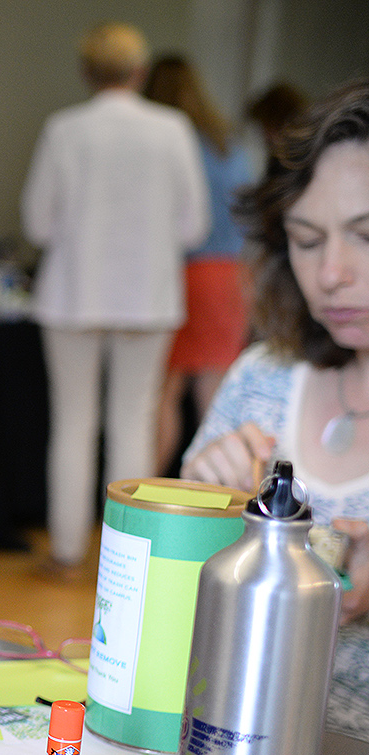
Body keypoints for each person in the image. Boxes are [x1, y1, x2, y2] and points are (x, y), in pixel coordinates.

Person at [181, 79, 369, 743]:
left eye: (365, 234)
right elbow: (177, 621)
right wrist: (202, 513)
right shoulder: (260, 378)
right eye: (308, 239)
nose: (333, 273)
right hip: (235, 749)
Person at [21, 23, 209, 581]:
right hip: (147, 296)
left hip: (73, 294)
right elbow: (194, 225)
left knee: (73, 423)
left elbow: (37, 221)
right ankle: (127, 556)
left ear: (86, 73)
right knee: (134, 420)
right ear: (140, 71)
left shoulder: (64, 129)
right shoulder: (172, 128)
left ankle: (65, 551)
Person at [144, 55, 257, 472]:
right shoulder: (228, 141)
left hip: (183, 273)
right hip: (232, 274)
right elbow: (250, 214)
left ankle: (150, 494)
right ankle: (217, 501)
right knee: (217, 397)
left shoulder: (166, 141)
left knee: (164, 395)